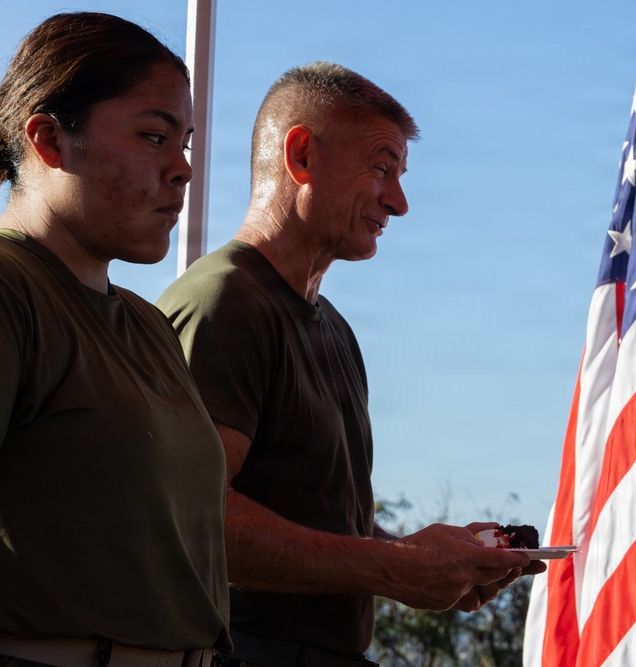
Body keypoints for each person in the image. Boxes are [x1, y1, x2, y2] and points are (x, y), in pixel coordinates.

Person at [156, 62, 544, 667]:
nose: (400, 201)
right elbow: (194, 516)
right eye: (382, 169)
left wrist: (425, 558)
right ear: (302, 154)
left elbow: (329, 528)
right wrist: (393, 567)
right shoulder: (224, 304)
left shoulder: (334, 329)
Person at [0, 12, 231, 667]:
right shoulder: (8, 288)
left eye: (185, 142)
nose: (182, 169)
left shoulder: (148, 323)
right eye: (154, 136)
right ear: (47, 138)